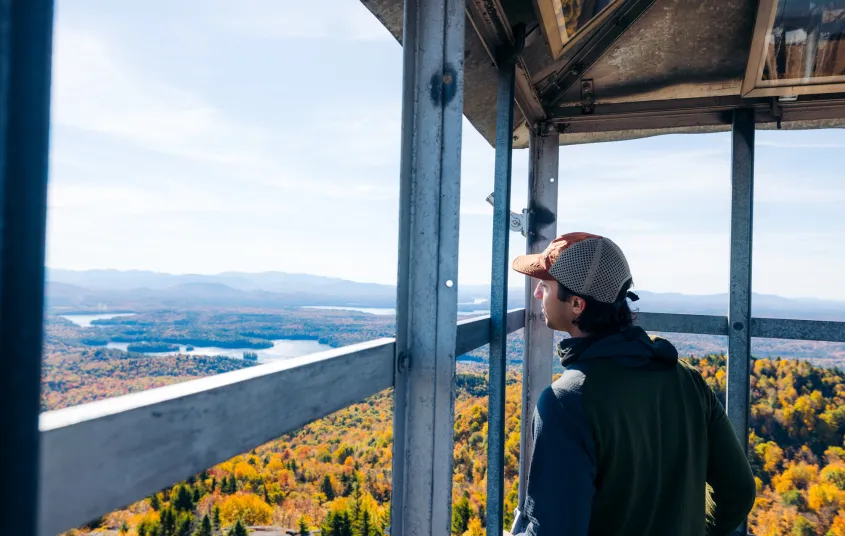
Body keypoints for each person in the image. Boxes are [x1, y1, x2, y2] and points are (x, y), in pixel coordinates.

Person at [507, 232, 756, 536]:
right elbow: (739, 491)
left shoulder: (565, 402)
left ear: (576, 304)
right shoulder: (686, 378)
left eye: (545, 286)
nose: (536, 295)